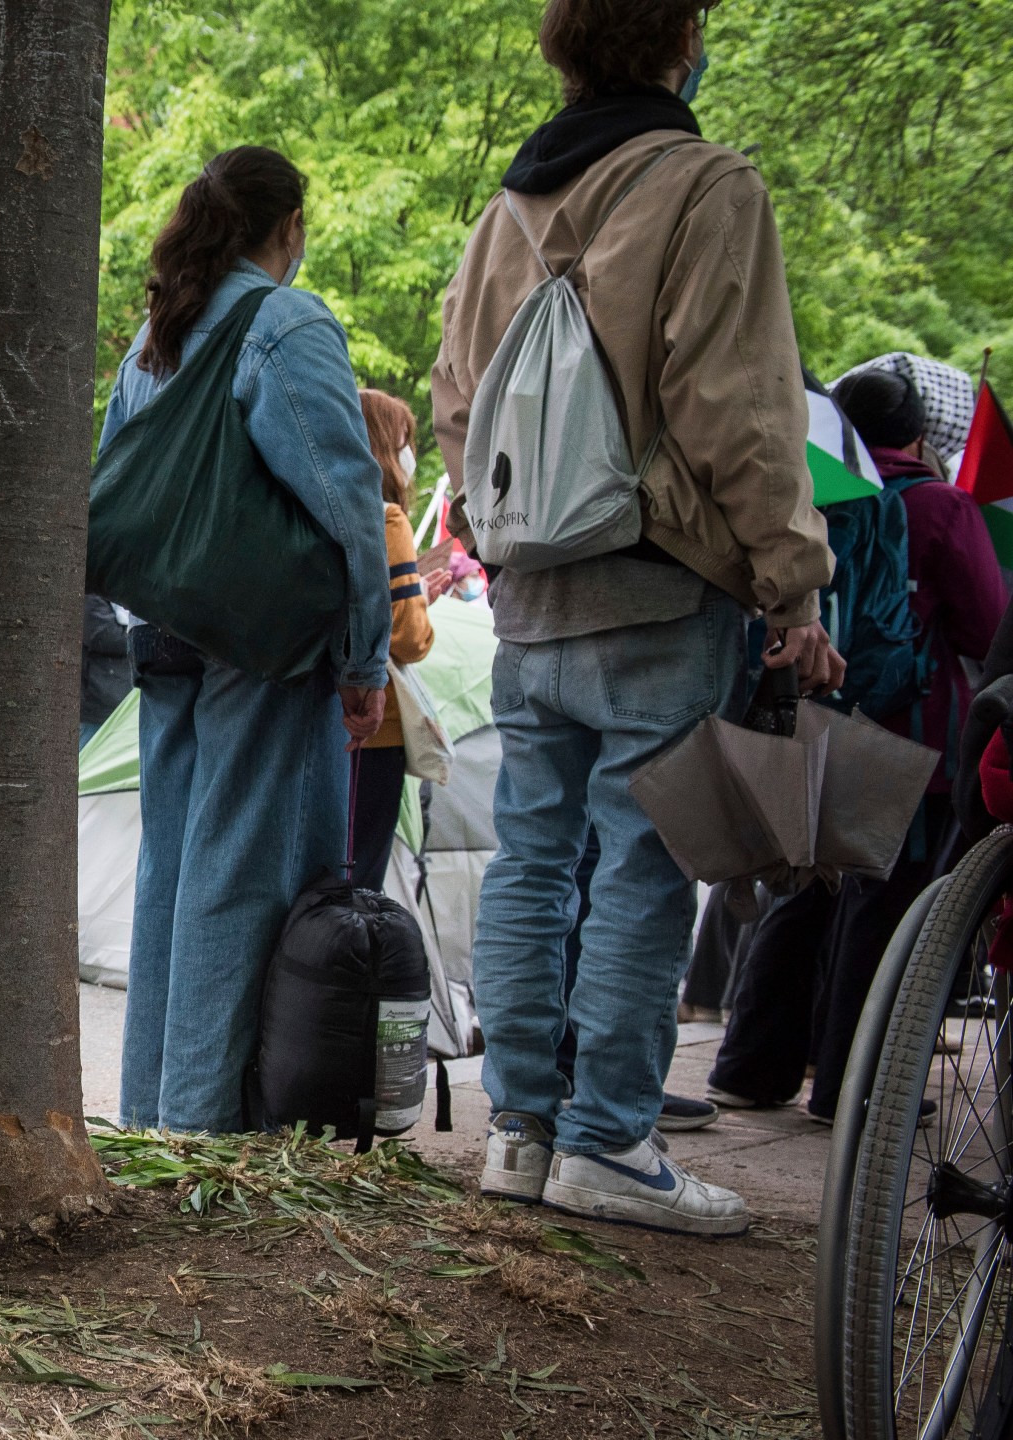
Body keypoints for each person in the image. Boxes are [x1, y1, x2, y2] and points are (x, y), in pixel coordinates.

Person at [431, 0, 839, 1234]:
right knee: (644, 869)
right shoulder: (707, 186)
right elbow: (737, 407)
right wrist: (791, 576)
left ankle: (519, 1132)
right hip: (660, 580)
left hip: (531, 593)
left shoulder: (501, 215)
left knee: (531, 860)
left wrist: (508, 543)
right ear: (680, 42)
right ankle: (609, 1142)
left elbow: (458, 405)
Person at [105, 146, 392, 1133]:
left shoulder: (151, 336)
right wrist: (366, 657)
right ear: (285, 229)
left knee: (169, 877)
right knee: (234, 880)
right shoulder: (284, 321)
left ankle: (150, 1114)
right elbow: (347, 504)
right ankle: (199, 1131)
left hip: (166, 633)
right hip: (259, 646)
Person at [709, 367, 1005, 1118]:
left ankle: (751, 1065)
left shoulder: (803, 486)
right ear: (915, 436)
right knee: (884, 904)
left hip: (803, 709)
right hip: (904, 726)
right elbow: (985, 623)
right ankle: (857, 1085)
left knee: (800, 889)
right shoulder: (938, 505)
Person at [351, 389, 435, 878]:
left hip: (320, 722)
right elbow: (408, 636)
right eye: (404, 441)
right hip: (376, 732)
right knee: (361, 878)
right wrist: (421, 607)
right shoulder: (388, 517)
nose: (410, 455)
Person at [81, 596, 132, 748]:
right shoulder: (91, 595)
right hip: (99, 697)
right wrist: (139, 637)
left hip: (119, 695)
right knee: (88, 755)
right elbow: (103, 636)